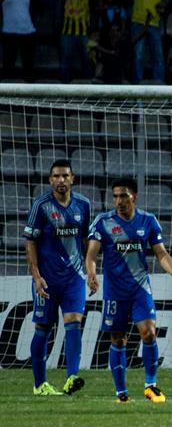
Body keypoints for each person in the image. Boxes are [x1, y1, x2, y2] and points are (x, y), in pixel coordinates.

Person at [85, 177, 172, 403]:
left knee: (149, 332)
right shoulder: (103, 222)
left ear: (134, 197)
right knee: (118, 340)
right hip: (115, 292)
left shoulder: (148, 221)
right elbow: (91, 255)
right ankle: (121, 393)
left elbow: (161, 254)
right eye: (115, 196)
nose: (119, 201)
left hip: (140, 289)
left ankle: (151, 386)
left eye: (123, 196)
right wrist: (91, 274)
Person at [23, 159, 91, 396]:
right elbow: (30, 241)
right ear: (50, 180)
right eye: (56, 176)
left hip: (74, 278)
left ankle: (72, 377)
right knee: (43, 327)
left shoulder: (83, 204)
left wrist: (90, 271)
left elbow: (86, 241)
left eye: (65, 176)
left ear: (72, 178)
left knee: (74, 321)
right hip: (48, 279)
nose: (61, 180)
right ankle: (39, 384)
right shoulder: (41, 206)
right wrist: (36, 276)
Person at [128, 0, 167, 83]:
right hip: (138, 24)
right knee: (138, 57)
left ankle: (159, 85)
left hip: (154, 25)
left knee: (158, 56)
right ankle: (138, 87)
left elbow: (161, 7)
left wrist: (161, 7)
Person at [58, 0, 94, 82]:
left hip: (84, 34)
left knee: (87, 61)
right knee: (65, 62)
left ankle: (89, 89)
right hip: (67, 33)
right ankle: (64, 89)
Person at [0, 0, 35, 81]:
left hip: (28, 32)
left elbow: (29, 9)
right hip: (10, 32)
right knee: (8, 65)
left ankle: (30, 93)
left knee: (29, 66)